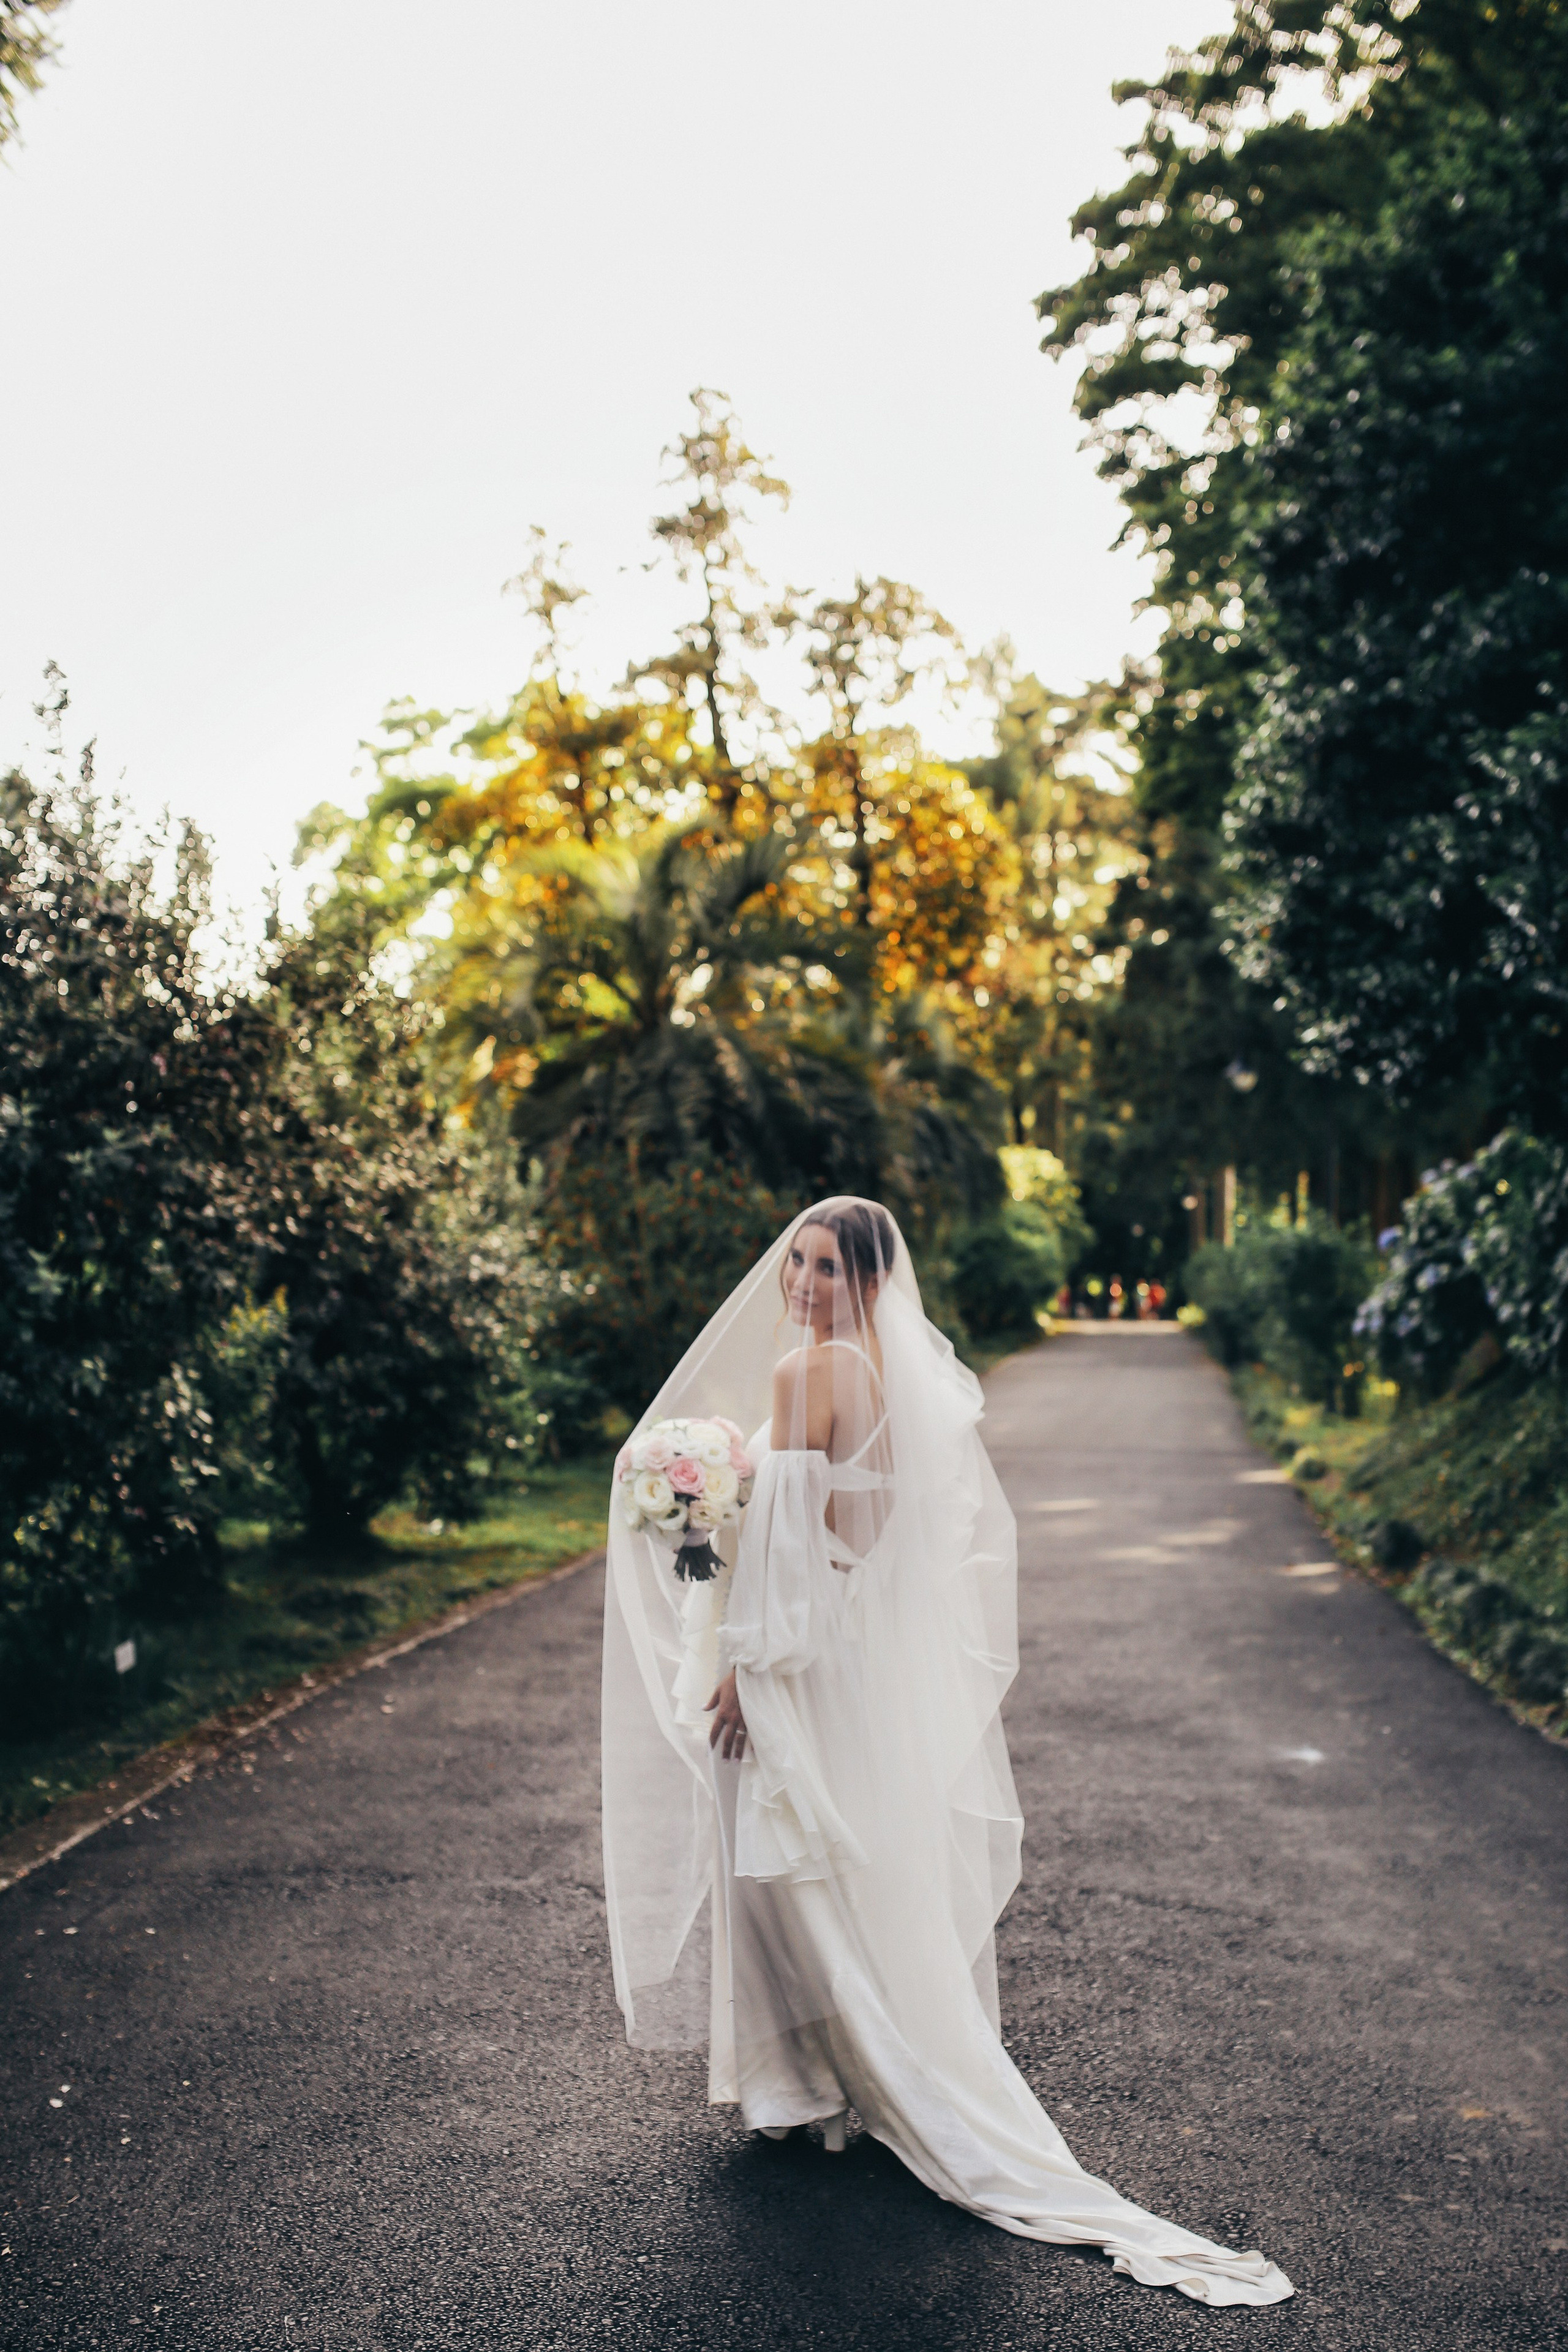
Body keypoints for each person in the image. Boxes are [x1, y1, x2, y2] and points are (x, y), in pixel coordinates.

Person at [601, 1197, 1292, 2307]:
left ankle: (801, 2090)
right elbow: (858, 1542)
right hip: (842, 1654)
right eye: (797, 1263)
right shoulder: (887, 1378)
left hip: (787, 1661)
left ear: (870, 1283)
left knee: (780, 1877)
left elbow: (790, 1553)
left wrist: (741, 1664)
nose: (803, 1284)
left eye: (827, 1269)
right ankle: (830, 2087)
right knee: (833, 1871)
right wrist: (720, 1515)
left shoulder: (807, 1372)